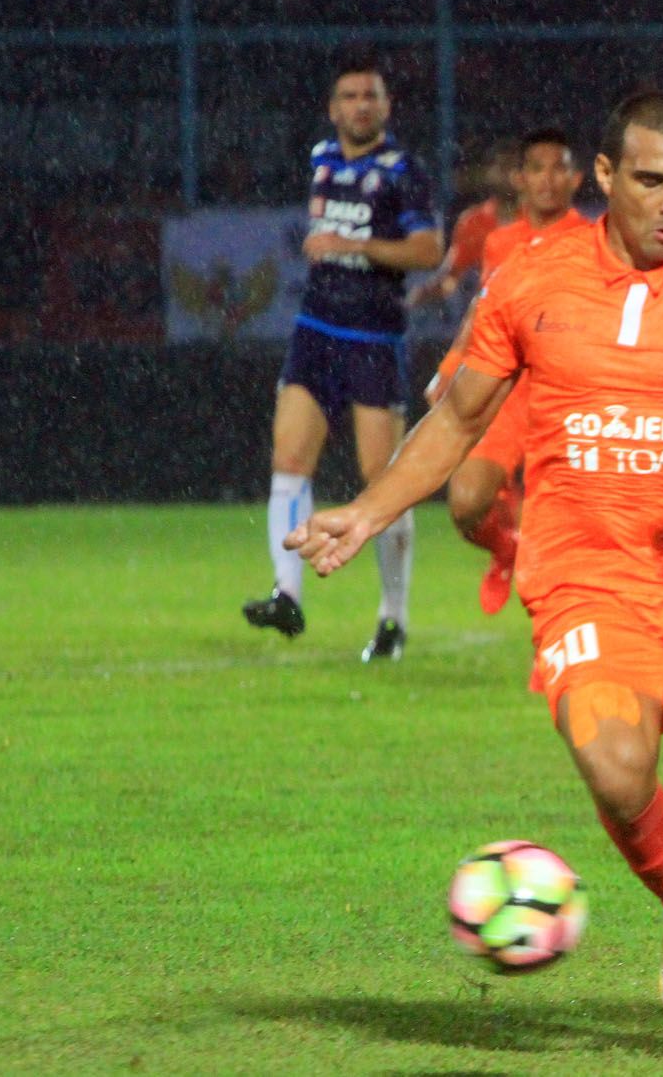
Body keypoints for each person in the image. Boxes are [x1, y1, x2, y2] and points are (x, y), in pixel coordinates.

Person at [288, 92, 663, 1056]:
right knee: (615, 765)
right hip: (586, 573)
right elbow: (461, 418)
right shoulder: (530, 279)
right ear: (605, 177)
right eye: (652, 179)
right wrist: (367, 509)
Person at [243, 60, 442, 661]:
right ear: (333, 108)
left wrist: (353, 245)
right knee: (288, 459)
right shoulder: (322, 159)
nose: (360, 105)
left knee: (382, 480)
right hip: (315, 328)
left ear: (386, 107)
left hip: (374, 337)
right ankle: (287, 593)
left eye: (370, 96)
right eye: (350, 96)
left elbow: (430, 248)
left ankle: (392, 617)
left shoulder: (404, 172)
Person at [422, 127, 590, 614]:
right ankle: (505, 547)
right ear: (518, 178)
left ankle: (562, 647)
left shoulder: (594, 240)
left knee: (566, 538)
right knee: (465, 502)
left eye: (558, 168)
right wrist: (450, 368)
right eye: (536, 168)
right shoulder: (500, 242)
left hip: (565, 397)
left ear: (577, 178)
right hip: (508, 393)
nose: (547, 179)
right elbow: (483, 311)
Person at [405, 138, 522, 311]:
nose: (508, 174)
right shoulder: (474, 221)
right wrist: (424, 293)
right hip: (492, 321)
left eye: (515, 167)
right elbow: (452, 276)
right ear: (488, 172)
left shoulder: (547, 220)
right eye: (502, 166)